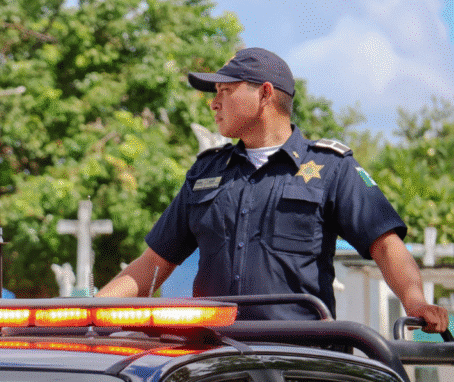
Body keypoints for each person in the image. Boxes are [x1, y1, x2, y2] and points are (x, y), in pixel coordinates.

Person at [96, 47, 449, 332]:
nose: (214, 103)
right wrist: (91, 312)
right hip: (215, 367)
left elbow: (385, 245)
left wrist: (415, 301)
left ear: (265, 93)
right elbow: (153, 264)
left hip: (298, 365)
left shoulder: (331, 167)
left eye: (226, 90)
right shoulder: (206, 172)